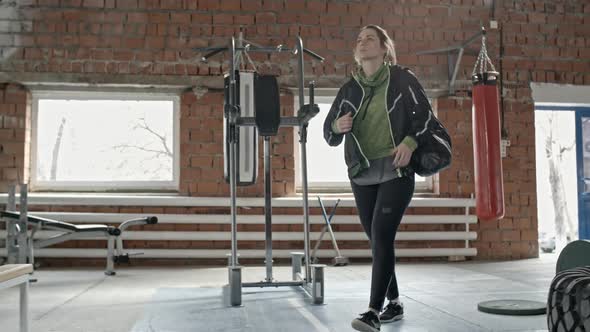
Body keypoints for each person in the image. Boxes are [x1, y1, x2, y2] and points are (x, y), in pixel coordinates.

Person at [323, 25, 436, 332]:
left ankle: (373, 311)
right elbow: (327, 133)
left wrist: (411, 142)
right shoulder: (349, 89)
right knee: (377, 240)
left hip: (397, 169)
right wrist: (337, 124)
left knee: (382, 234)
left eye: (370, 38)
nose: (363, 43)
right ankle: (395, 303)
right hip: (362, 172)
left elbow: (424, 117)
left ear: (385, 48)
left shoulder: (402, 79)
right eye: (358, 39)